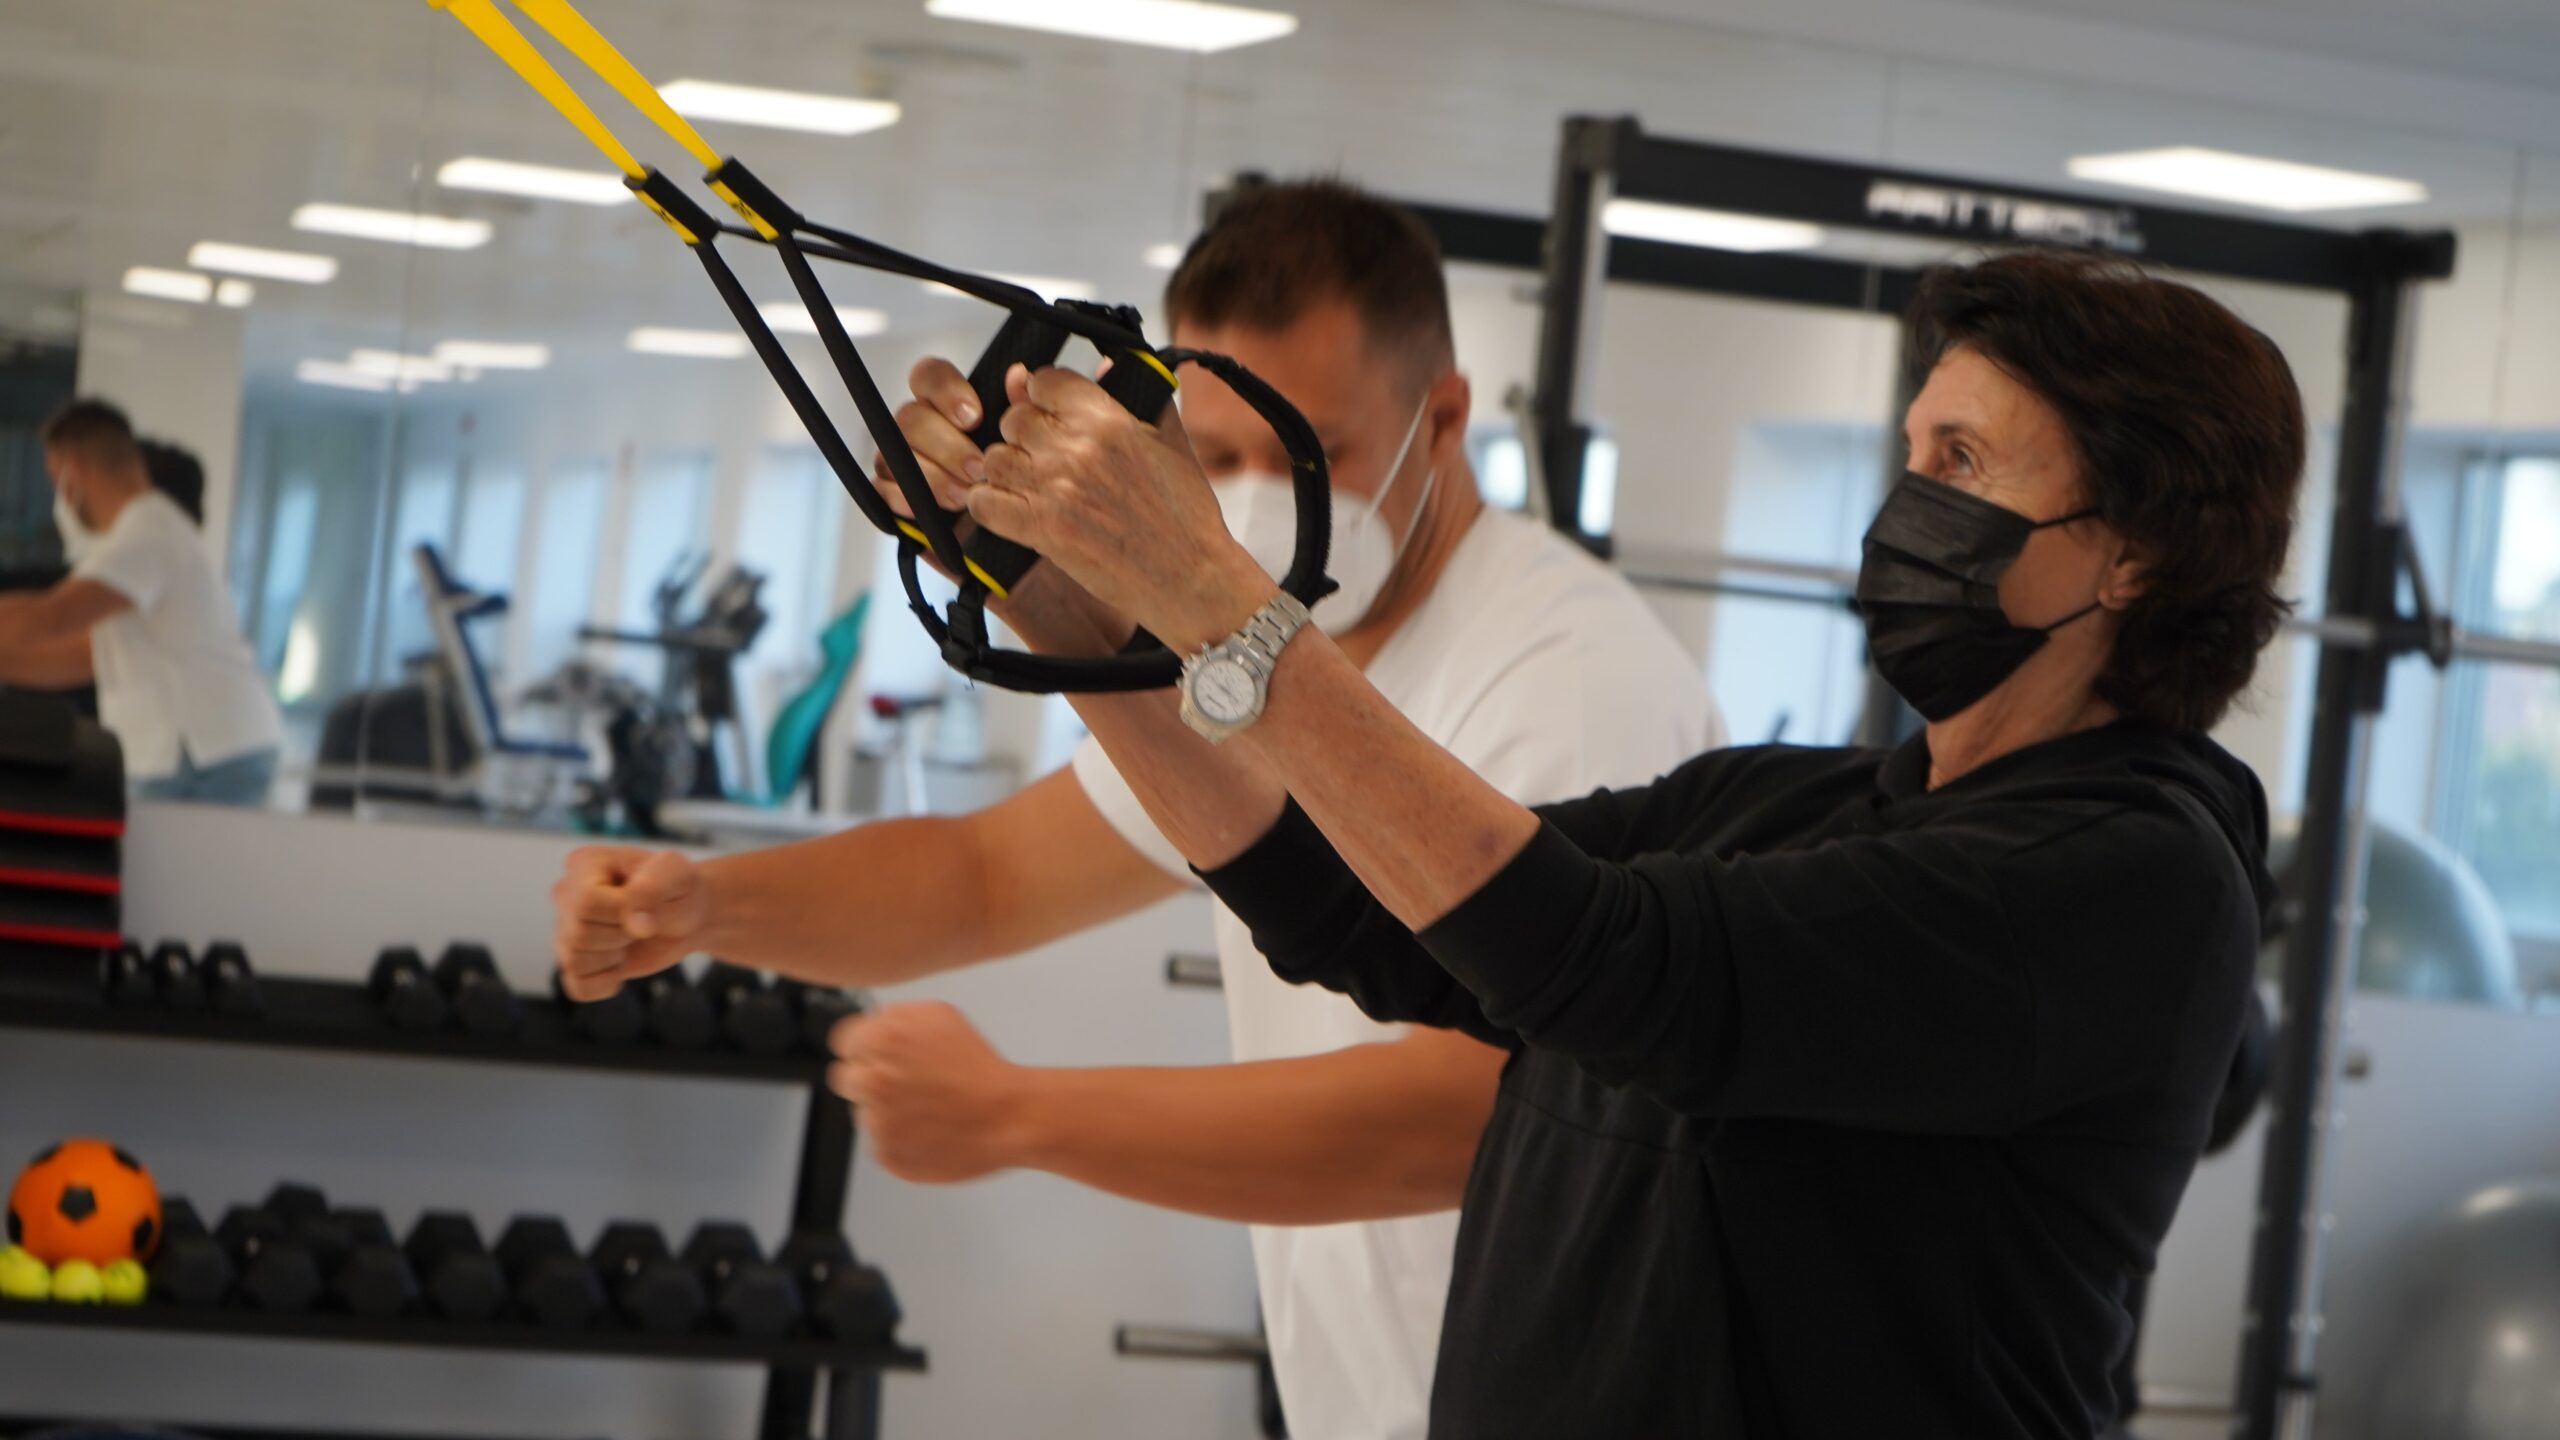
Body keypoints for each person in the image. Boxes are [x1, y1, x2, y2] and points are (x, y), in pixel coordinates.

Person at [938, 247, 2298, 1435]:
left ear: (2134, 557)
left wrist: (1219, 597)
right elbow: (1361, 911)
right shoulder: (1787, 805)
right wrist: (1072, 613)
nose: (1907, 506)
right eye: (1911, 454)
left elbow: (1603, 964)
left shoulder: (2129, 883)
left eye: (1964, 463)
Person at [552, 180, 1722, 1439]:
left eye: (1303, 450)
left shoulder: (1568, 676)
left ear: (1443, 418)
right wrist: (705, 903)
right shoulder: (1262, 652)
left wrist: (1016, 1112)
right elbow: (988, 876)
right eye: (1216, 455)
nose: (1255, 496)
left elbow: (1468, 1110)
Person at [0, 400, 281, 806]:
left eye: (54, 480)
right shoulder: (133, 537)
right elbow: (86, 656)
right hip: (200, 751)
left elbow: (51, 616)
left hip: (205, 755)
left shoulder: (147, 530)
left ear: (73, 469)